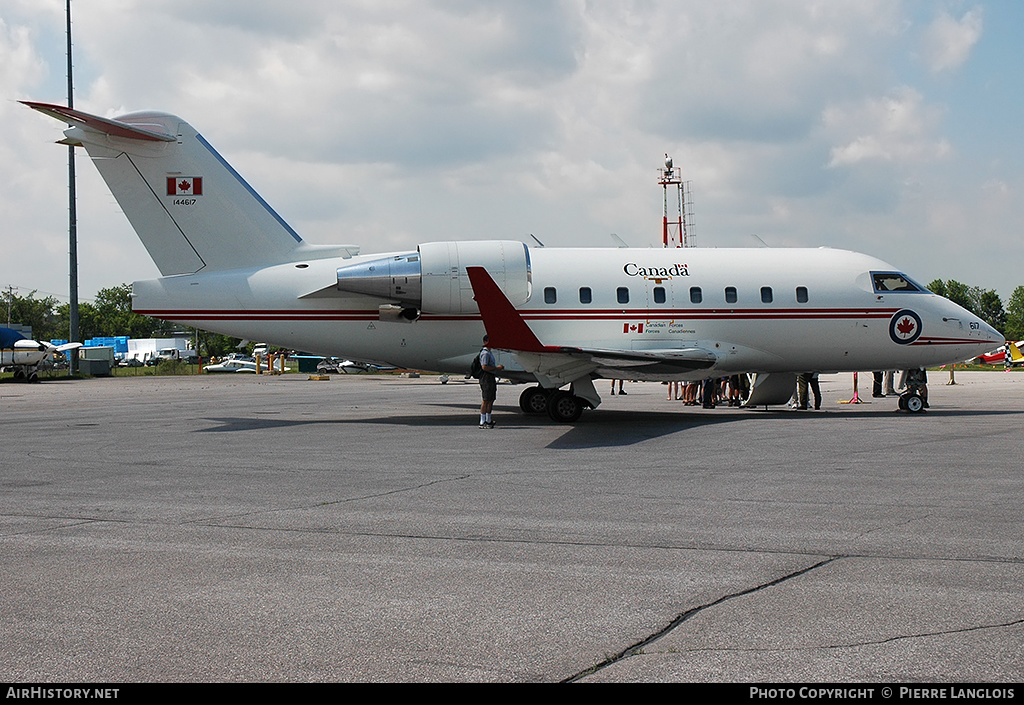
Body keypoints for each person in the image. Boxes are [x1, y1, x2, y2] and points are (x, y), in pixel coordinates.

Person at [478, 335, 504, 428]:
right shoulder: (485, 353)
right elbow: (484, 367)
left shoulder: (489, 352)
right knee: (486, 399)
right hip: (486, 377)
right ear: (486, 342)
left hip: (490, 376)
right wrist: (496, 368)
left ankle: (488, 420)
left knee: (491, 399)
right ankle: (482, 421)